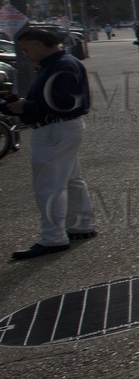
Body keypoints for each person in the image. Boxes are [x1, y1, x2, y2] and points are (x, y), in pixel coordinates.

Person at [6, 26, 94, 259]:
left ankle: (53, 238)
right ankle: (80, 225)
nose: (26, 54)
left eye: (26, 49)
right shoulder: (62, 63)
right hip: (63, 126)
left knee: (49, 184)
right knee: (71, 180)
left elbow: (64, 103)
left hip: (54, 128)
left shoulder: (60, 66)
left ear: (38, 45)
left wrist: (26, 107)